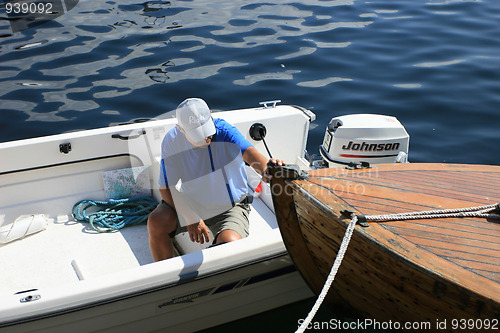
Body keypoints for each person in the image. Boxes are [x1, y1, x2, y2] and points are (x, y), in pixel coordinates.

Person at [147, 98, 285, 261]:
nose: (206, 138)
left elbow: (251, 155)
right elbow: (166, 187)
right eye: (197, 135)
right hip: (192, 201)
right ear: (180, 129)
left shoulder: (225, 131)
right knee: (156, 222)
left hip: (230, 207)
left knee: (231, 245)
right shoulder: (172, 141)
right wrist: (190, 217)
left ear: (211, 116)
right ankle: (166, 276)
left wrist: (268, 170)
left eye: (207, 131)